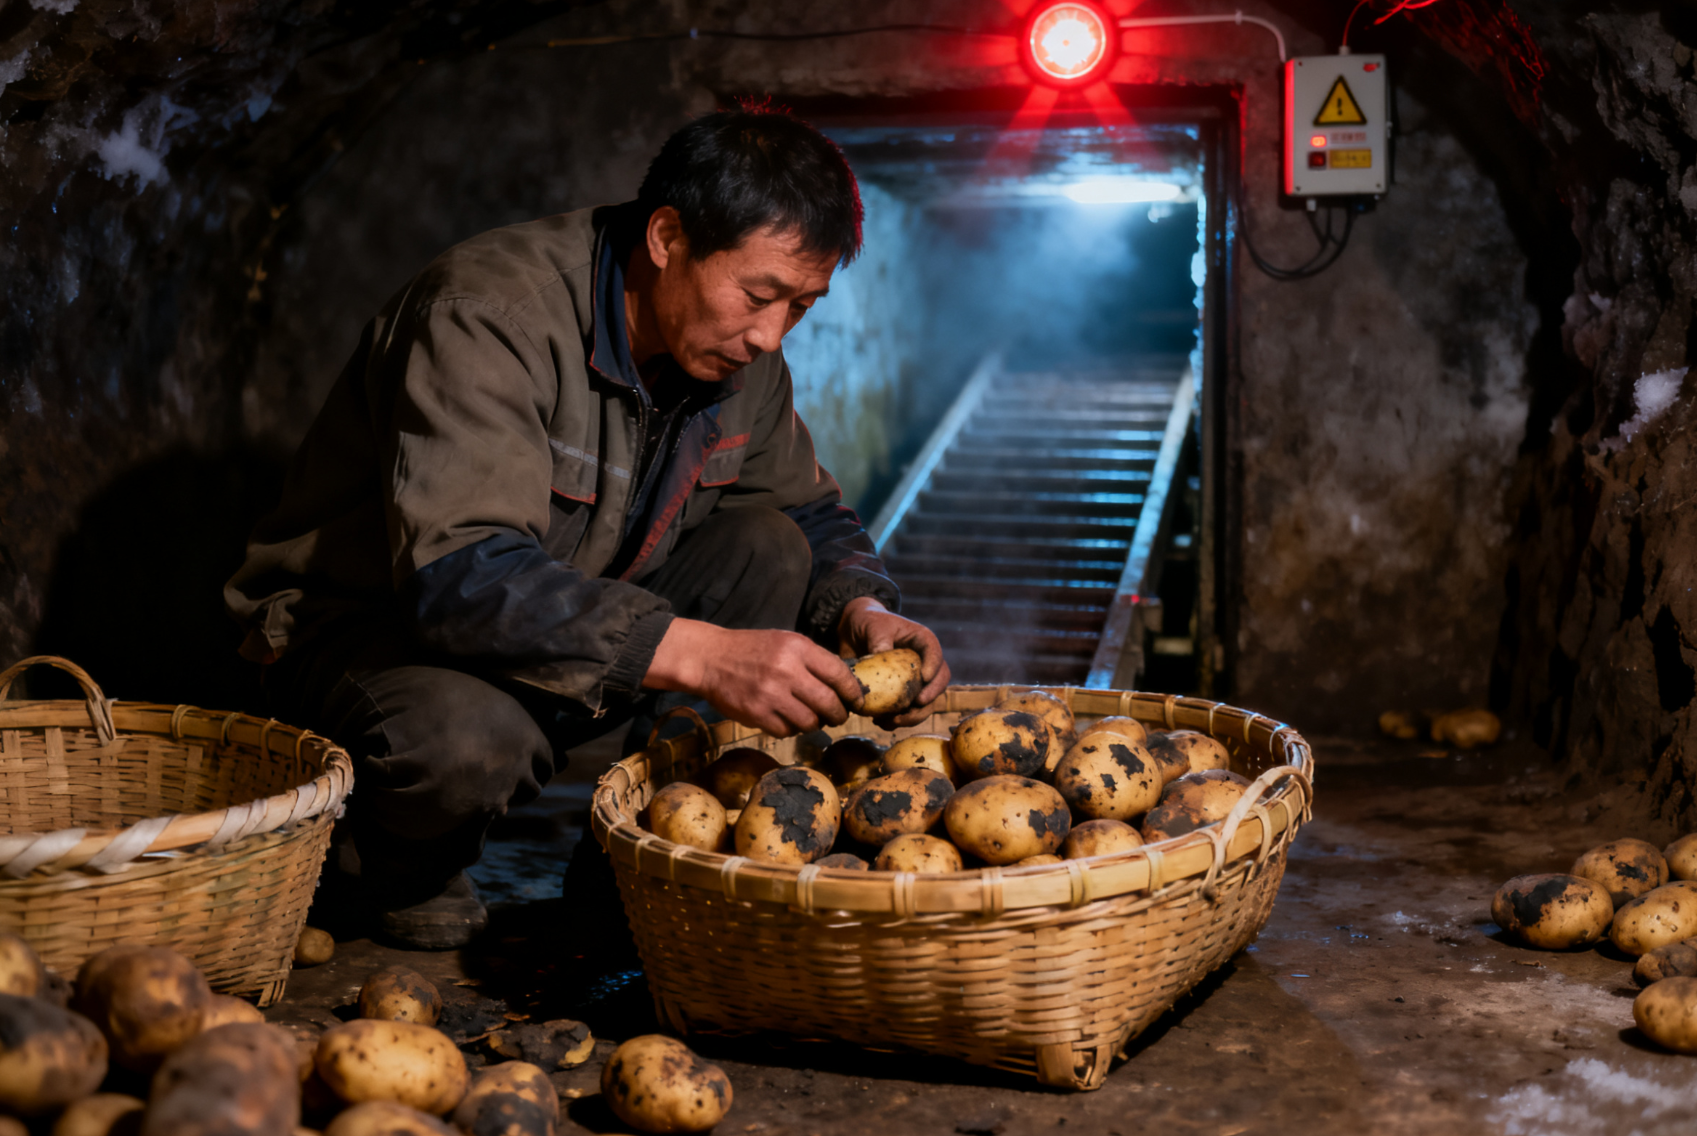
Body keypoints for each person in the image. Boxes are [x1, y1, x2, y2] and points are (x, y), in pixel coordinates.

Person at [224, 105, 949, 949]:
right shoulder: (490, 315)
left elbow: (800, 508)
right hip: (367, 631)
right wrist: (702, 653)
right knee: (471, 742)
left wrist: (864, 606)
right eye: (756, 296)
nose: (769, 335)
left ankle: (630, 860)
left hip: (569, 617)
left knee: (766, 548)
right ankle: (381, 866)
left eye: (800, 306)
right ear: (668, 237)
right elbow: (459, 577)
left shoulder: (738, 356)